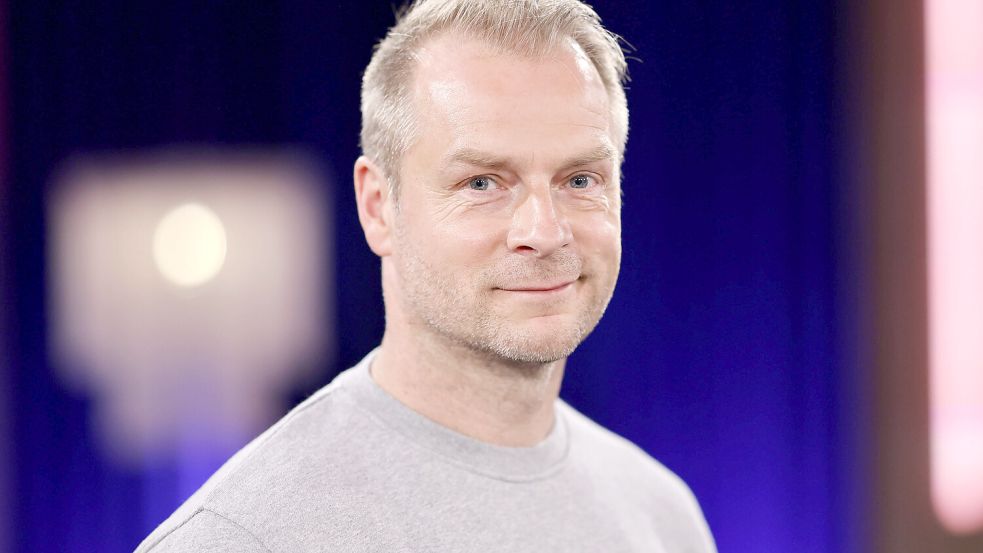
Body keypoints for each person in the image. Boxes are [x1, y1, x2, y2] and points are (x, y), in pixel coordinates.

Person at [136, 1, 716, 551]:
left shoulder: (661, 518)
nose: (544, 230)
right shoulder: (242, 538)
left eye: (581, 180)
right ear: (378, 206)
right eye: (483, 183)